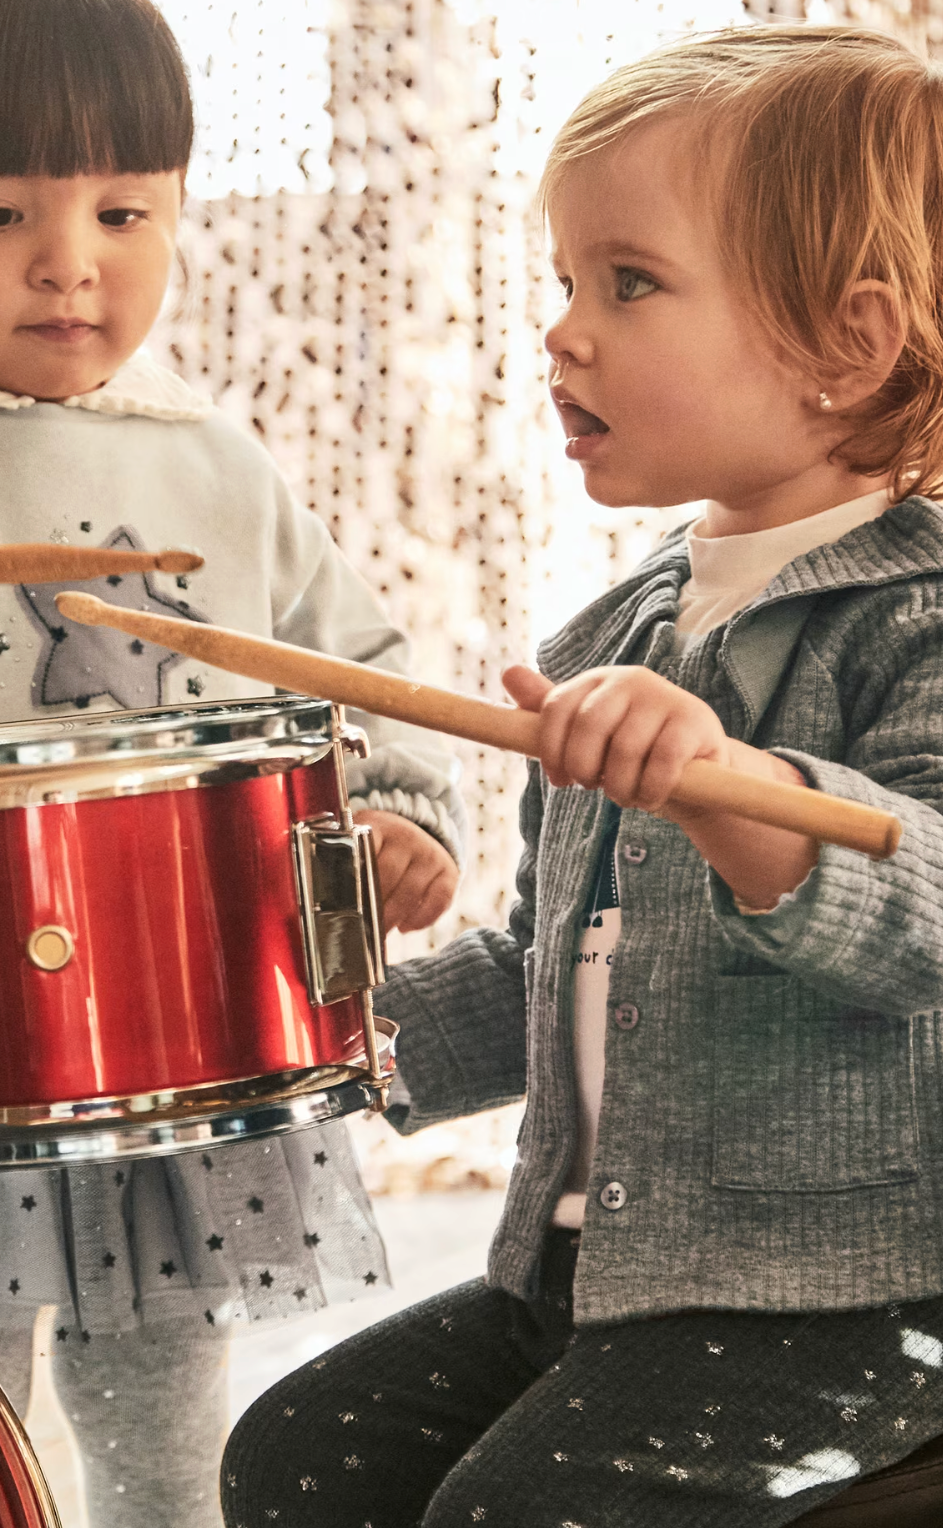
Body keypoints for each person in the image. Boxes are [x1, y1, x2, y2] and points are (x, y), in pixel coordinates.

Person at [221, 25, 943, 1528]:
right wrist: (300, 1041)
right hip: (594, 1271)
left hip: (850, 1299)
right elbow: (559, 963)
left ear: (845, 344)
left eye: (628, 282)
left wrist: (731, 789)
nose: (560, 330)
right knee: (296, 1457)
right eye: (563, 282)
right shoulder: (618, 629)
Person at [0, 2, 465, 1525]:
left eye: (122, 210)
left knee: (161, 1432)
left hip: (167, 1056)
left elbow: (357, 678)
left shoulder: (214, 462)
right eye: (4, 211)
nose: (70, 260)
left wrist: (392, 822)